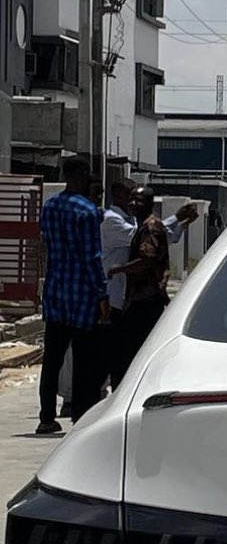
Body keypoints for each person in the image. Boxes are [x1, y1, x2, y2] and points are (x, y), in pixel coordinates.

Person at [36, 156, 109, 436]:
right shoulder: (87, 211)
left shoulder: (50, 206)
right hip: (82, 296)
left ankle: (46, 416)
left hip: (56, 292)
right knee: (83, 360)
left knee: (52, 360)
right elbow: (92, 257)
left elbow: (47, 247)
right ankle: (80, 415)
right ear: (82, 176)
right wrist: (102, 294)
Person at [103, 181, 196, 388]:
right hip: (132, 298)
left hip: (143, 300)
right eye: (132, 199)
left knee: (133, 353)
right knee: (125, 353)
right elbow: (167, 235)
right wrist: (179, 221)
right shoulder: (128, 222)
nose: (133, 203)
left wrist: (119, 269)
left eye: (138, 200)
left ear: (149, 203)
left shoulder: (149, 226)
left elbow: (147, 259)